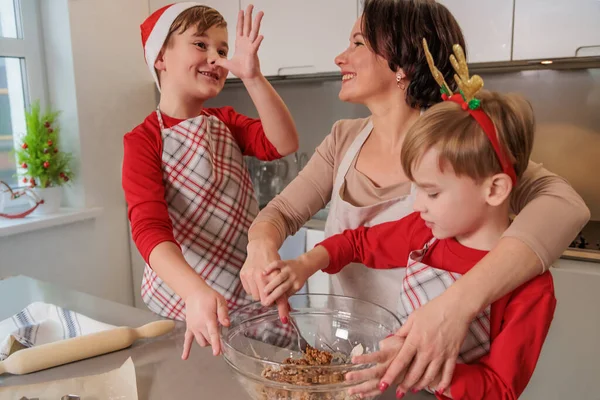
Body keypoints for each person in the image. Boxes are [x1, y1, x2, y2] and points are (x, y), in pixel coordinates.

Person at [242, 0, 589, 393]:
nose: (340, 57)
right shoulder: (343, 138)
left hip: (422, 379)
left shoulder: (459, 145)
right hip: (342, 361)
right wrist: (261, 247)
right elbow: (282, 213)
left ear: (402, 61)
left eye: (357, 42)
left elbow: (567, 205)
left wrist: (455, 305)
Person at [122, 3, 299, 360]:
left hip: (249, 294)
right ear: (160, 57)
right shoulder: (143, 140)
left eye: (222, 49)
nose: (216, 58)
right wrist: (194, 292)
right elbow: (150, 229)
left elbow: (283, 143)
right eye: (200, 45)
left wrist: (253, 77)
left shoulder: (226, 121)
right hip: (182, 302)